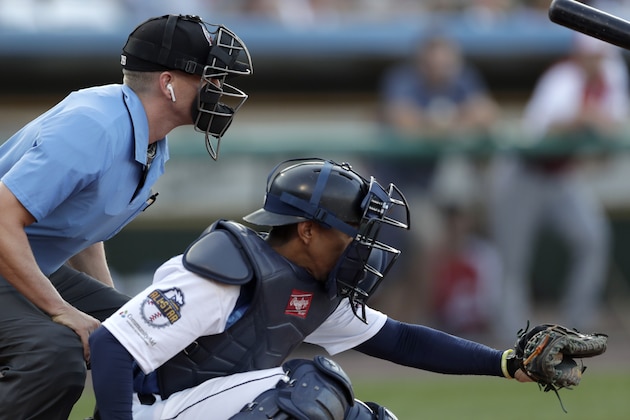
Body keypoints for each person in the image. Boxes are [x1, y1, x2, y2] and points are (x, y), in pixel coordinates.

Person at [89, 158, 531, 420]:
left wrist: (508, 363)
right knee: (309, 393)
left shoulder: (315, 286)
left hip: (206, 407)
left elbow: (402, 339)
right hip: (152, 408)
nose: (363, 247)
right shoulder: (225, 271)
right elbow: (111, 344)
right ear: (307, 231)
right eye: (354, 233)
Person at [0, 14, 253, 419]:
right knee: (55, 356)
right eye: (210, 78)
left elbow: (83, 221)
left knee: (155, 336)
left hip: (27, 259)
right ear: (168, 83)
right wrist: (63, 310)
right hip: (7, 251)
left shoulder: (150, 136)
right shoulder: (94, 125)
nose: (219, 90)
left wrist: (119, 317)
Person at [488, 32, 629, 337]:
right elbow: (543, 130)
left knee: (592, 238)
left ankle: (576, 326)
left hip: (561, 176)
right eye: (593, 55)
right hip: (523, 173)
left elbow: (614, 125)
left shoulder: (611, 77)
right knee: (514, 258)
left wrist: (592, 121)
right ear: (580, 55)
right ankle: (513, 338)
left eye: (602, 56)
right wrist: (584, 118)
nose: (598, 62)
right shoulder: (562, 77)